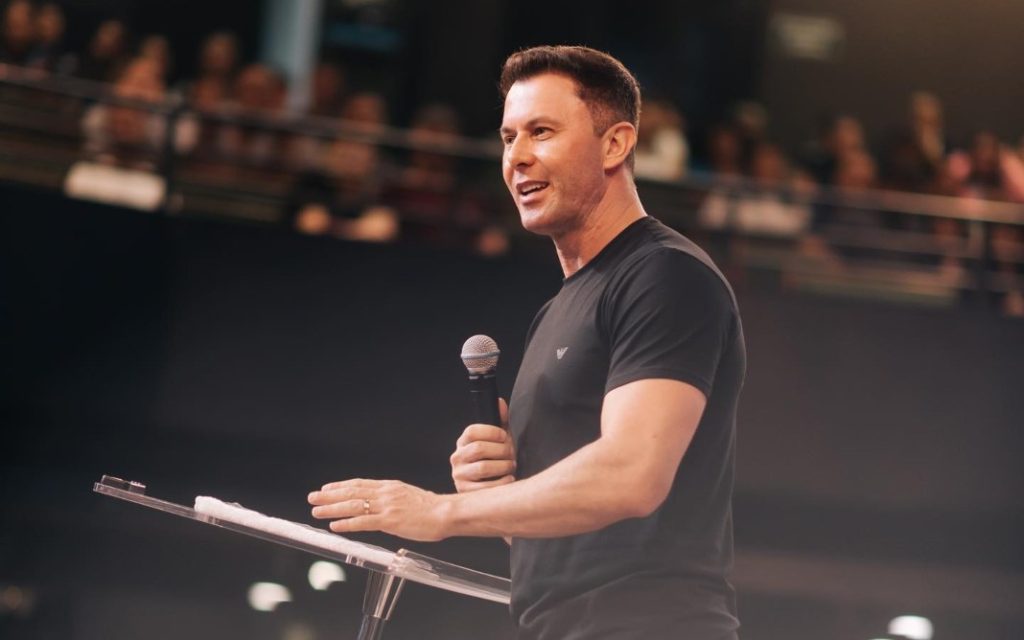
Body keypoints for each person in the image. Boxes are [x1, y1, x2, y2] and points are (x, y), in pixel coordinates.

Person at [308, 45, 745, 640]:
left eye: (541, 132)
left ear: (615, 145)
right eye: (508, 137)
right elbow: (564, 541)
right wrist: (497, 495)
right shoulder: (556, 311)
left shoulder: (664, 274)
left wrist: (443, 511)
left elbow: (632, 475)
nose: (517, 157)